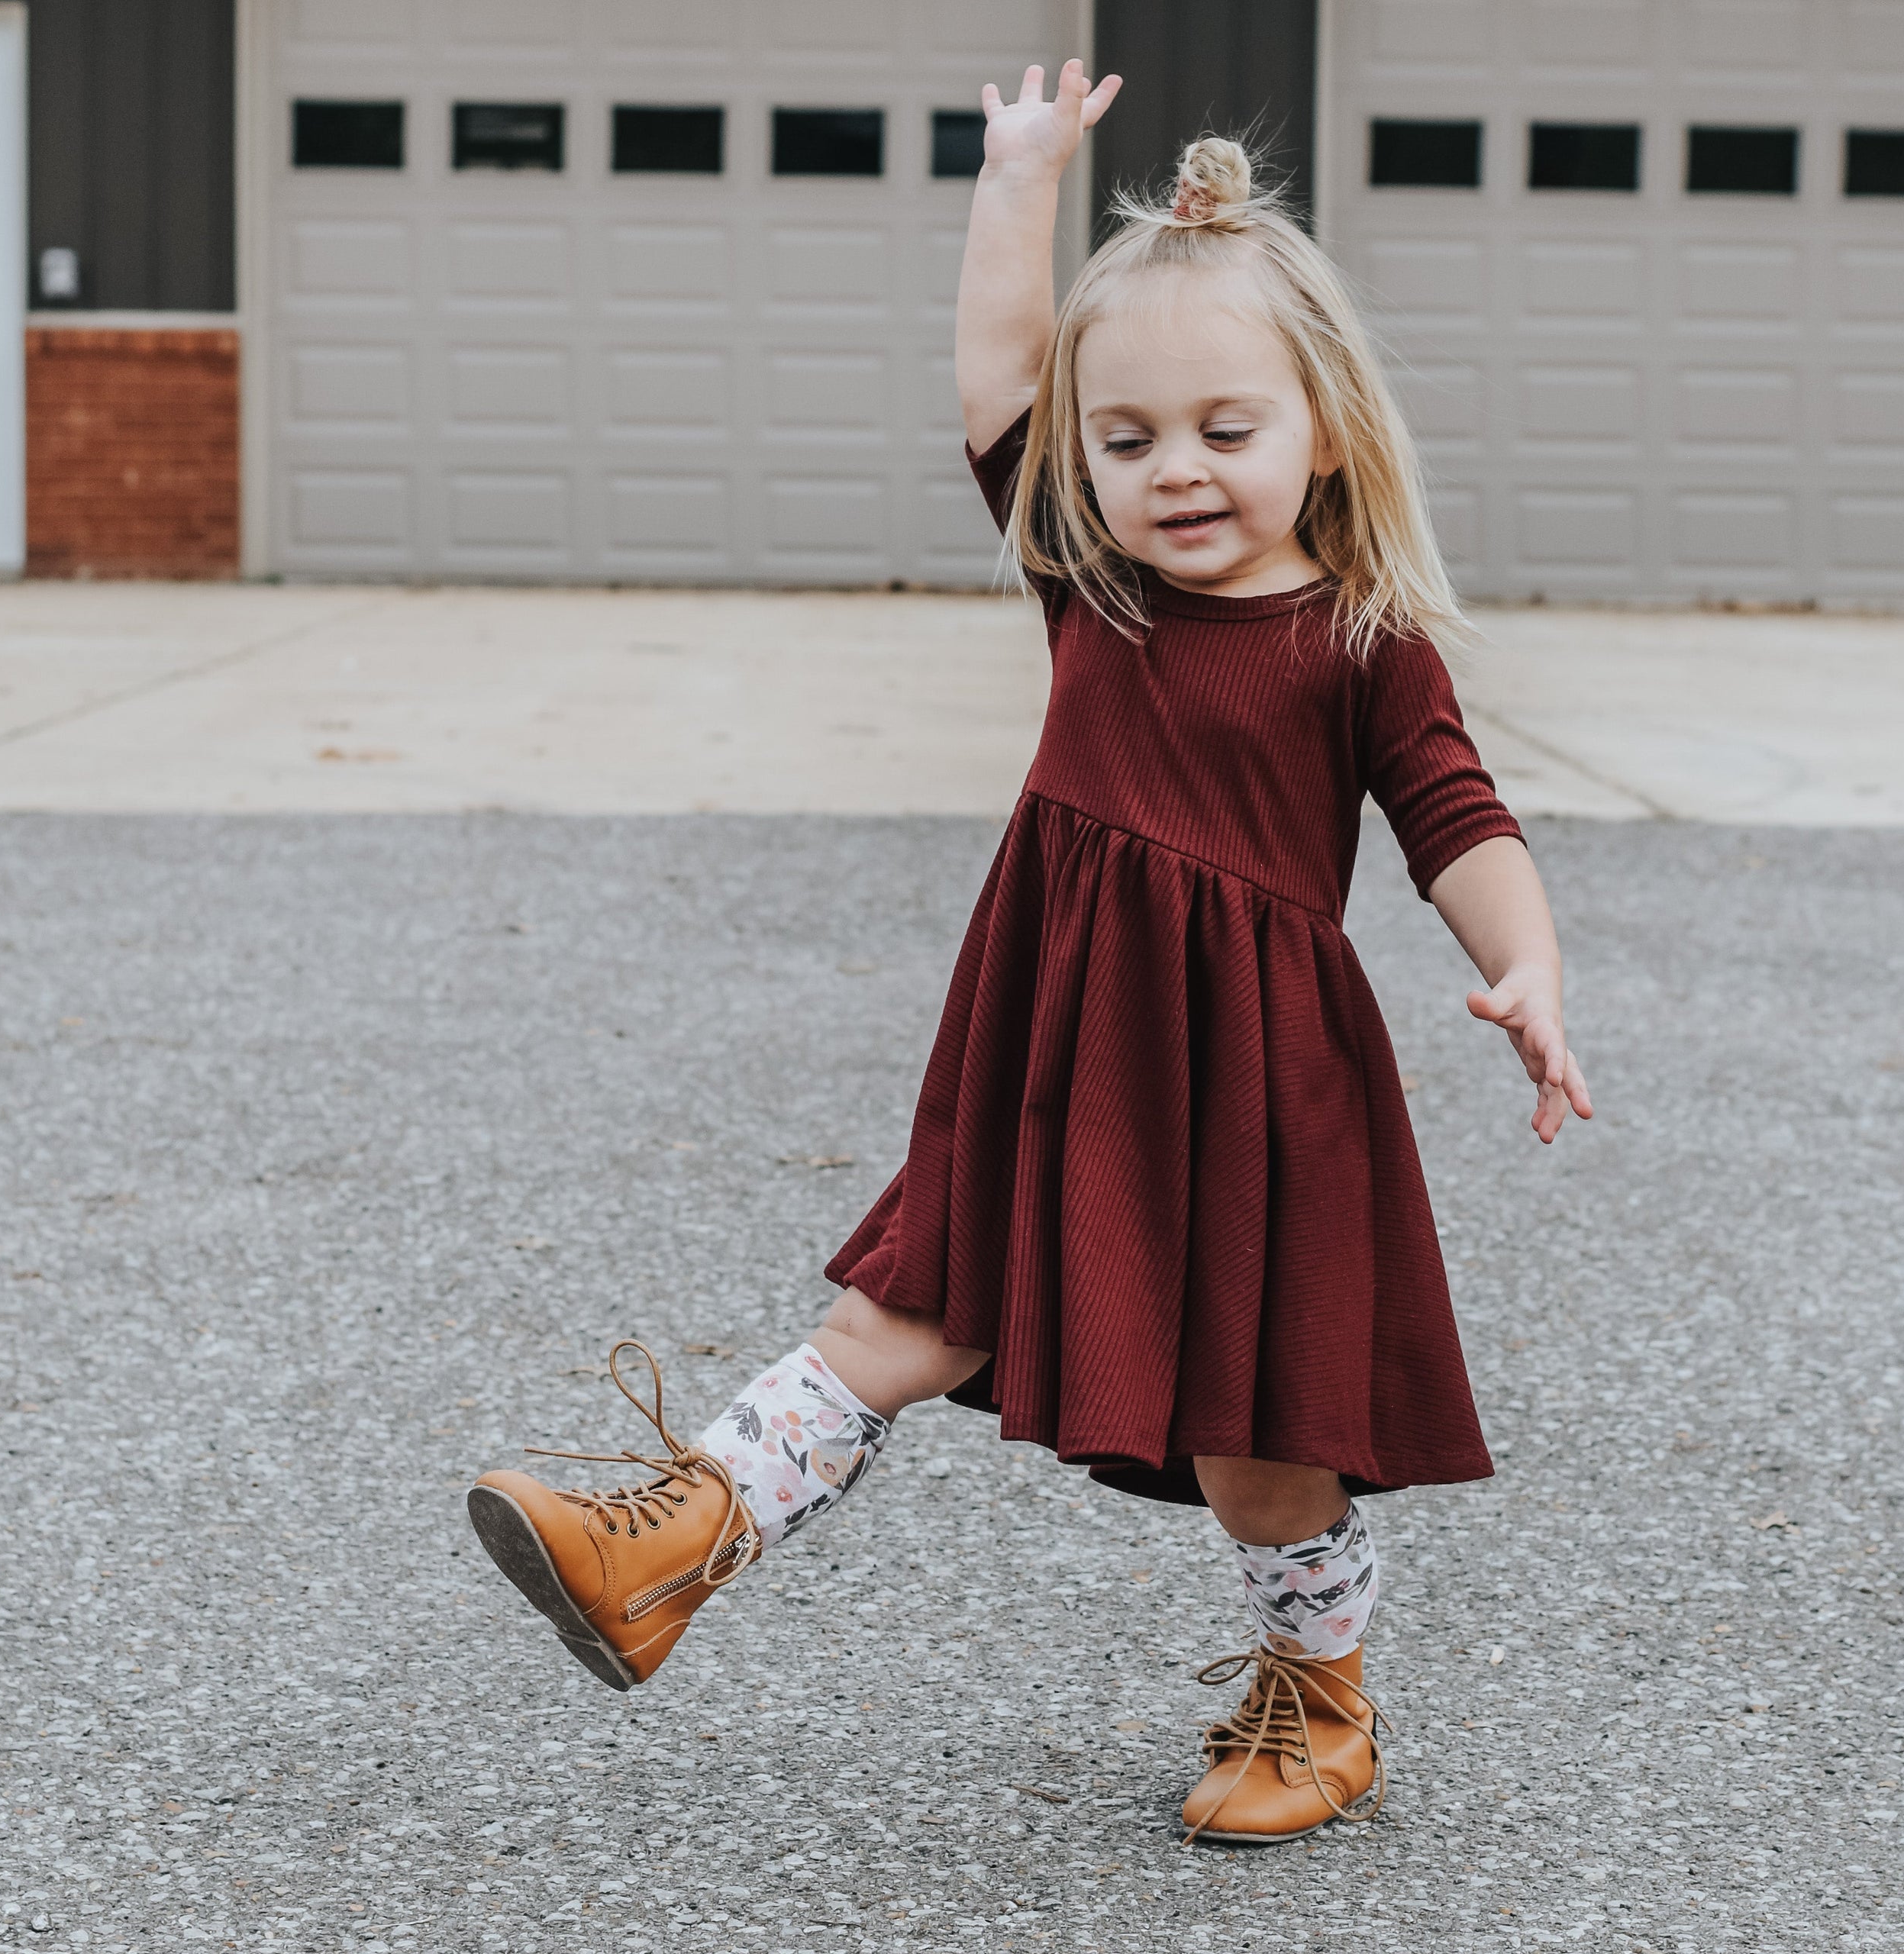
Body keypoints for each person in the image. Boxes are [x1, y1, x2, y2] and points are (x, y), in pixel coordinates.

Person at [468, 58, 1595, 1848]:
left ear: (1325, 427)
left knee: (1258, 1435)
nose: (1175, 469)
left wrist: (1525, 963)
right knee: (897, 1312)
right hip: (1058, 1046)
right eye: (1127, 439)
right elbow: (1001, 379)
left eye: (1225, 428)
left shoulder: (1363, 638)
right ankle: (668, 1542)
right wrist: (1020, 180)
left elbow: (1458, 817)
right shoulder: (1093, 581)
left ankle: (1320, 1697)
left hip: (1254, 1082)